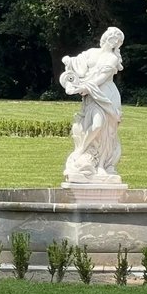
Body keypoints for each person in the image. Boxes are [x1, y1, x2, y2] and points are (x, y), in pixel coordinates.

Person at [62, 27, 125, 184]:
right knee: (94, 126)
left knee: (104, 130)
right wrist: (69, 62)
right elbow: (78, 65)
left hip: (106, 95)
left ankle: (102, 164)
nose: (114, 41)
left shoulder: (112, 58)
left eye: (118, 40)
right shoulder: (91, 52)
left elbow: (101, 78)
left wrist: (84, 87)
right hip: (91, 96)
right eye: (112, 38)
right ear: (105, 37)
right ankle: (83, 153)